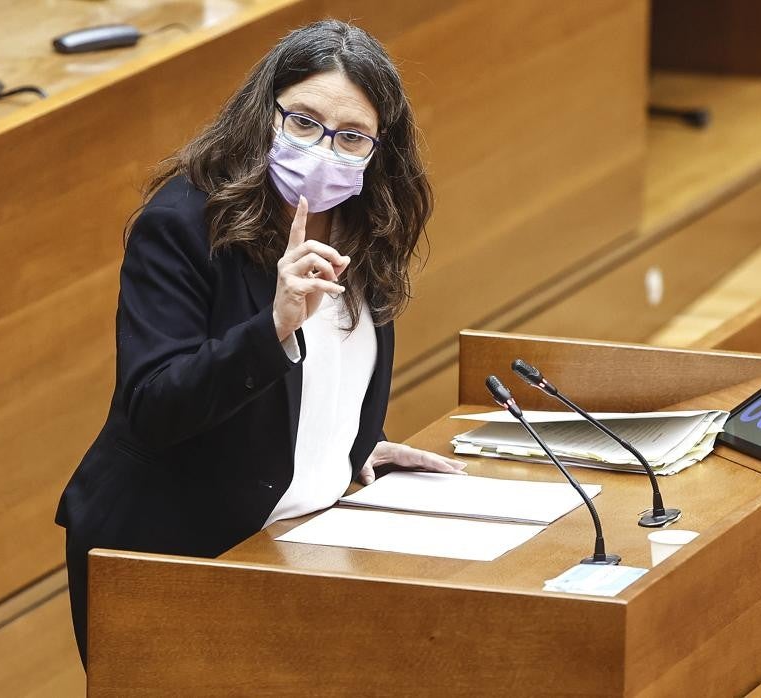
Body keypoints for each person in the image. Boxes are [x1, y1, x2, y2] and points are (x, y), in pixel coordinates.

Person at [54, 19, 466, 668]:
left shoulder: (370, 227)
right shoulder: (185, 224)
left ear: (379, 149)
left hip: (295, 545)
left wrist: (349, 446)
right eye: (303, 122)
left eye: (352, 136)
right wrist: (272, 326)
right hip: (172, 552)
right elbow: (155, 404)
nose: (324, 148)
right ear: (263, 114)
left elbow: (334, 371)